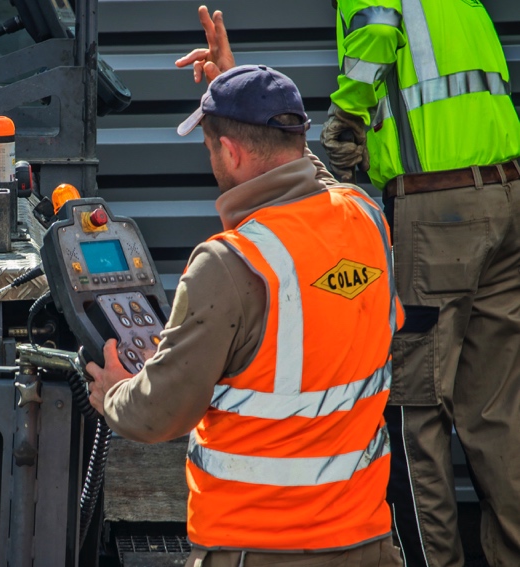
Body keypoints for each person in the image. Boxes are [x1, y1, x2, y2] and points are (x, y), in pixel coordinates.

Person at [176, 3, 520, 566]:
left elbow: (377, 33)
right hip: (506, 192)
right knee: (499, 412)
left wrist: (345, 116)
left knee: (412, 412)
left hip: (438, 204)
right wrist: (234, 89)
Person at [86, 63, 404, 566]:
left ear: (229, 152)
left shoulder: (229, 264)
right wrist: (239, 86)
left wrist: (113, 394)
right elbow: (301, 172)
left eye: (212, 146)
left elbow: (159, 415)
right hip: (367, 544)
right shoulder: (365, 218)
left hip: (259, 548)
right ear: (299, 137)